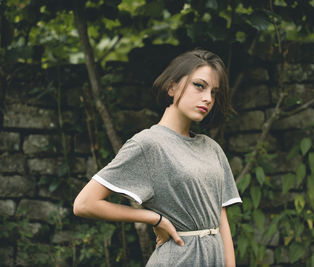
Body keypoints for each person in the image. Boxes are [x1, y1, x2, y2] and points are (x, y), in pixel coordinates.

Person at [73, 49, 242, 266]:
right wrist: (154, 218)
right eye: (199, 86)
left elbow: (221, 220)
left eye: (214, 92)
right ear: (172, 87)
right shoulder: (148, 144)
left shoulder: (212, 149)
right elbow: (85, 203)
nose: (208, 98)